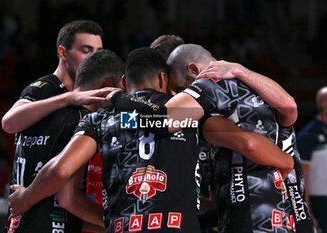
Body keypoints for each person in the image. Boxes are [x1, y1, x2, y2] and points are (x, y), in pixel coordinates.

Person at [112, 44, 315, 233]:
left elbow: (162, 121)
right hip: (295, 215)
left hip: (253, 216)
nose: (177, 95)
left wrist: (118, 101)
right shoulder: (253, 85)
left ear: (193, 69)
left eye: (181, 89)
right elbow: (290, 108)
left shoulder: (206, 84)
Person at [5, 49, 123, 233]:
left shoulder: (36, 114)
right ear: (108, 84)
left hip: (18, 225)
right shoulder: (85, 121)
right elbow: (68, 199)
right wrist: (113, 222)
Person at [2, 20, 105, 134]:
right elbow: (8, 124)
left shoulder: (98, 92)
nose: (95, 58)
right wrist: (68, 99)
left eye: (98, 52)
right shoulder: (43, 88)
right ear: (63, 52)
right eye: (86, 51)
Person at [298, 86, 327, 233]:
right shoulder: (308, 136)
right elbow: (301, 177)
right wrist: (308, 213)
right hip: (320, 203)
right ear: (324, 104)